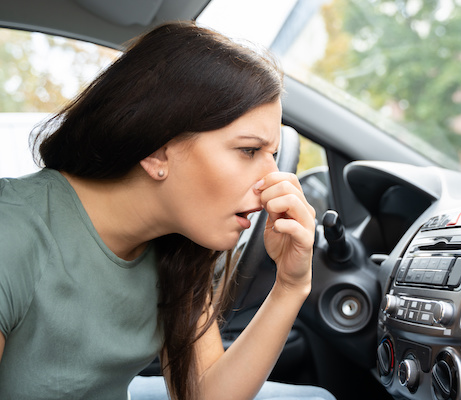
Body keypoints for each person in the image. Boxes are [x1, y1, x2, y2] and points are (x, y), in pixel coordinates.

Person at [0, 21, 335, 400]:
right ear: (158, 149)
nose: (272, 181)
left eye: (272, 156)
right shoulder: (12, 233)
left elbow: (204, 395)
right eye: (248, 151)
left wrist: (290, 287)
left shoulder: (179, 249)